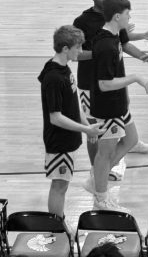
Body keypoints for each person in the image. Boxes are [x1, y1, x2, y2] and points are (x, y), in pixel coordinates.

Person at [73, 0, 148, 185]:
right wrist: (98, 54)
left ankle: (103, 170)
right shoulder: (83, 22)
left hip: (114, 80)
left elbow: (125, 44)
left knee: (123, 116)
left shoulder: (114, 17)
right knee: (94, 132)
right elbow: (76, 54)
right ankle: (96, 172)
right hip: (90, 84)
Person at [91, 0, 148, 212]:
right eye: (128, 14)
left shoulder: (113, 36)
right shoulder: (106, 44)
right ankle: (100, 196)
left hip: (118, 103)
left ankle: (97, 179)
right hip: (108, 107)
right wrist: (135, 78)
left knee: (131, 139)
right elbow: (105, 84)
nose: (130, 17)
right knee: (104, 153)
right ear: (117, 16)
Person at [38, 26, 101, 227]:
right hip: (59, 142)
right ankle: (58, 227)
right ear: (65, 48)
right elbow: (55, 117)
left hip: (70, 139)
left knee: (62, 184)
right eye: (78, 47)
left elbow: (74, 104)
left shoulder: (64, 69)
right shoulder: (54, 77)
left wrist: (87, 126)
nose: (80, 51)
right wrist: (86, 130)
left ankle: (58, 225)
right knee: (59, 186)